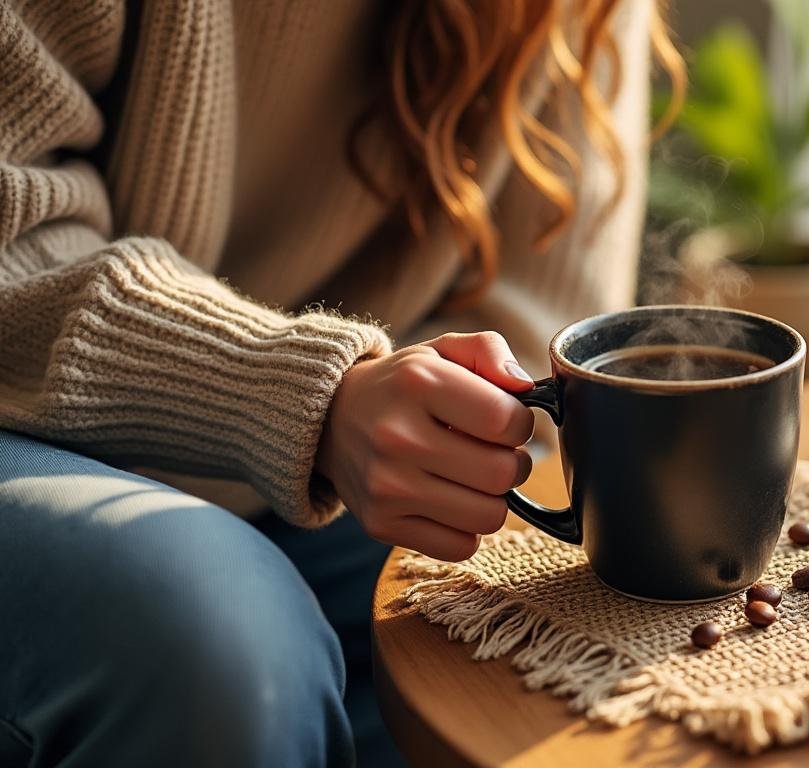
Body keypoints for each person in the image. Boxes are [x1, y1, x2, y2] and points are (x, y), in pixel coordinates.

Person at [0, 0, 683, 765]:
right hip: (31, 421)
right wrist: (311, 401)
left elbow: (535, 314)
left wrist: (432, 425)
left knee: (558, 651)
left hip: (320, 471)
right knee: (213, 645)